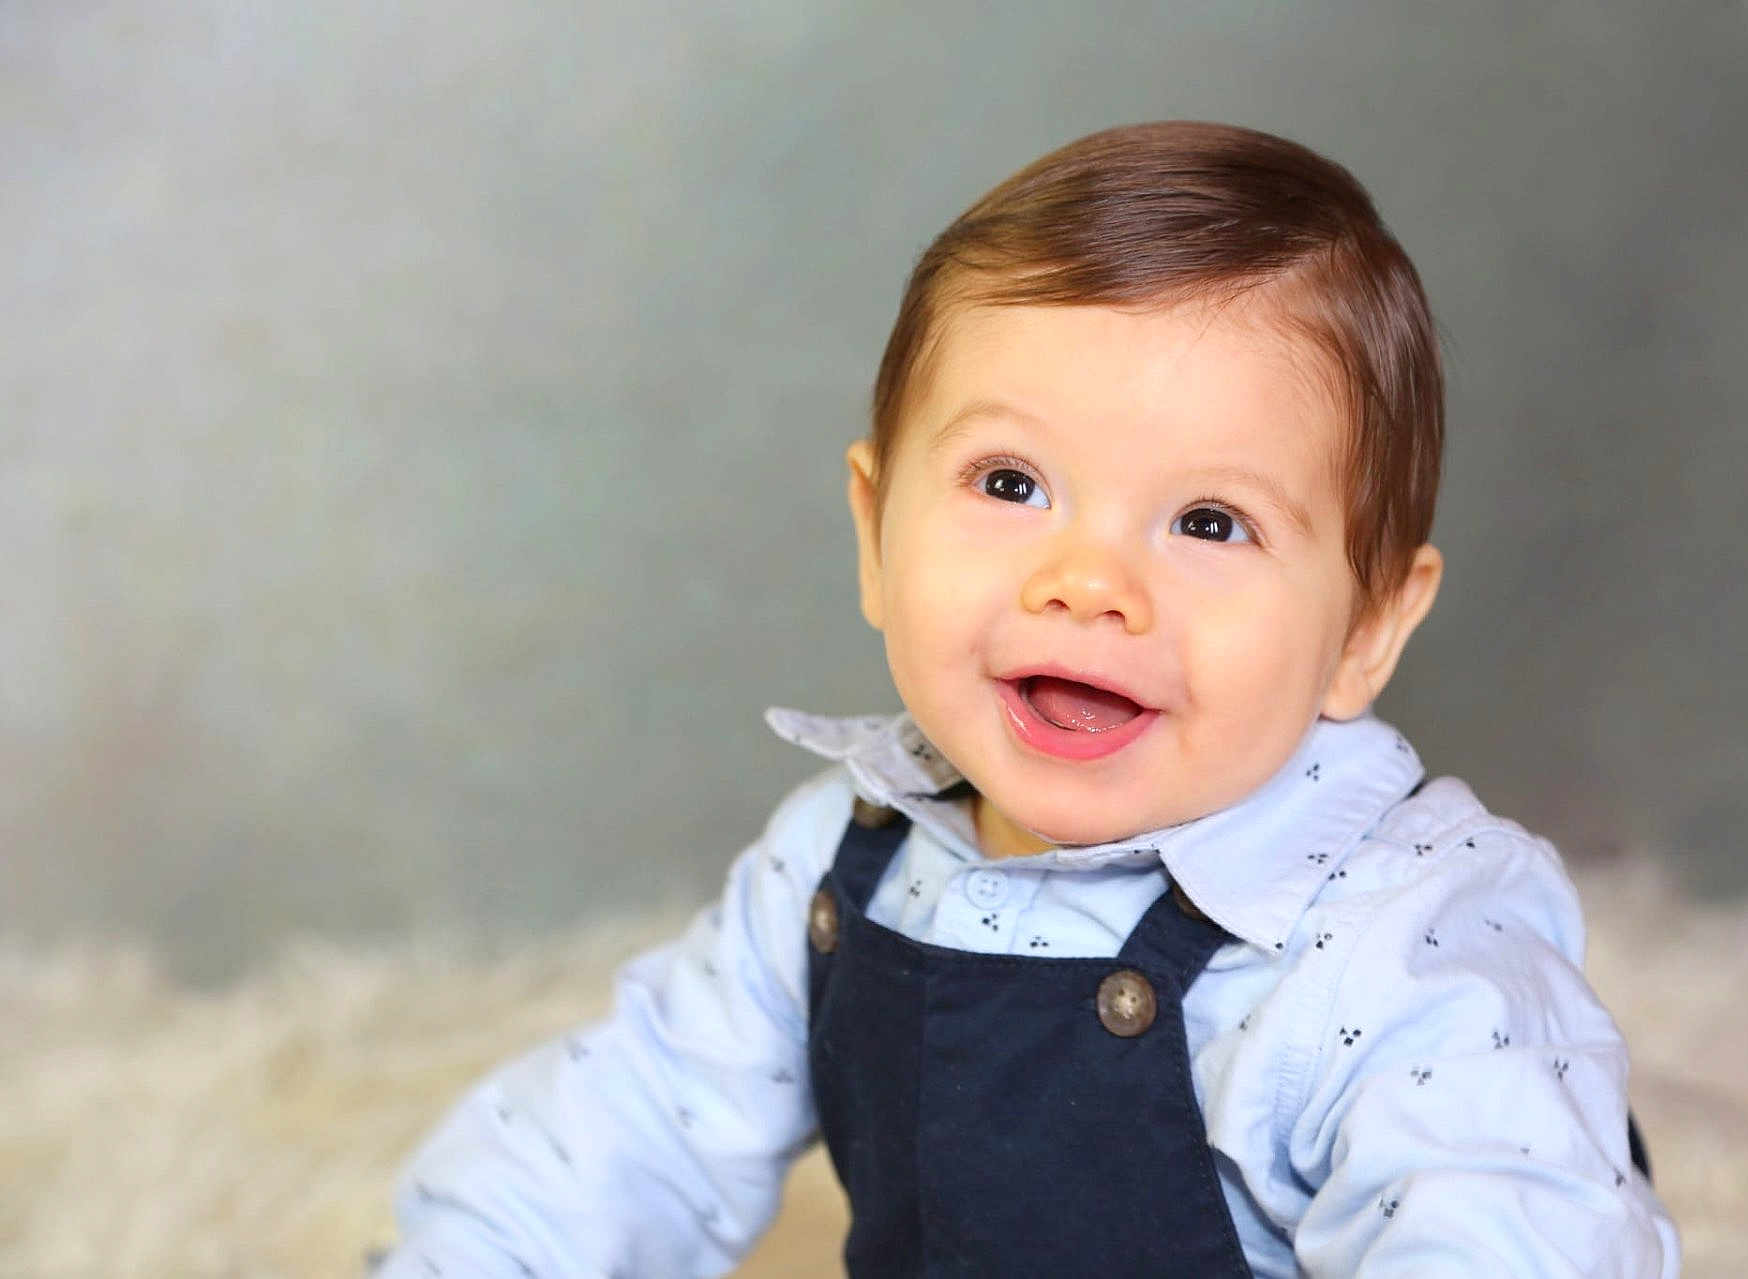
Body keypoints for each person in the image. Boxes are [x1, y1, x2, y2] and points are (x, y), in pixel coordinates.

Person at [375, 121, 1681, 1276]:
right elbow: (628, 1133)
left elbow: (1515, 1228)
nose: (1087, 582)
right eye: (1012, 485)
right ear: (875, 529)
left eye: (1209, 521)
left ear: (1368, 630)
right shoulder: (842, 867)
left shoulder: (1404, 946)